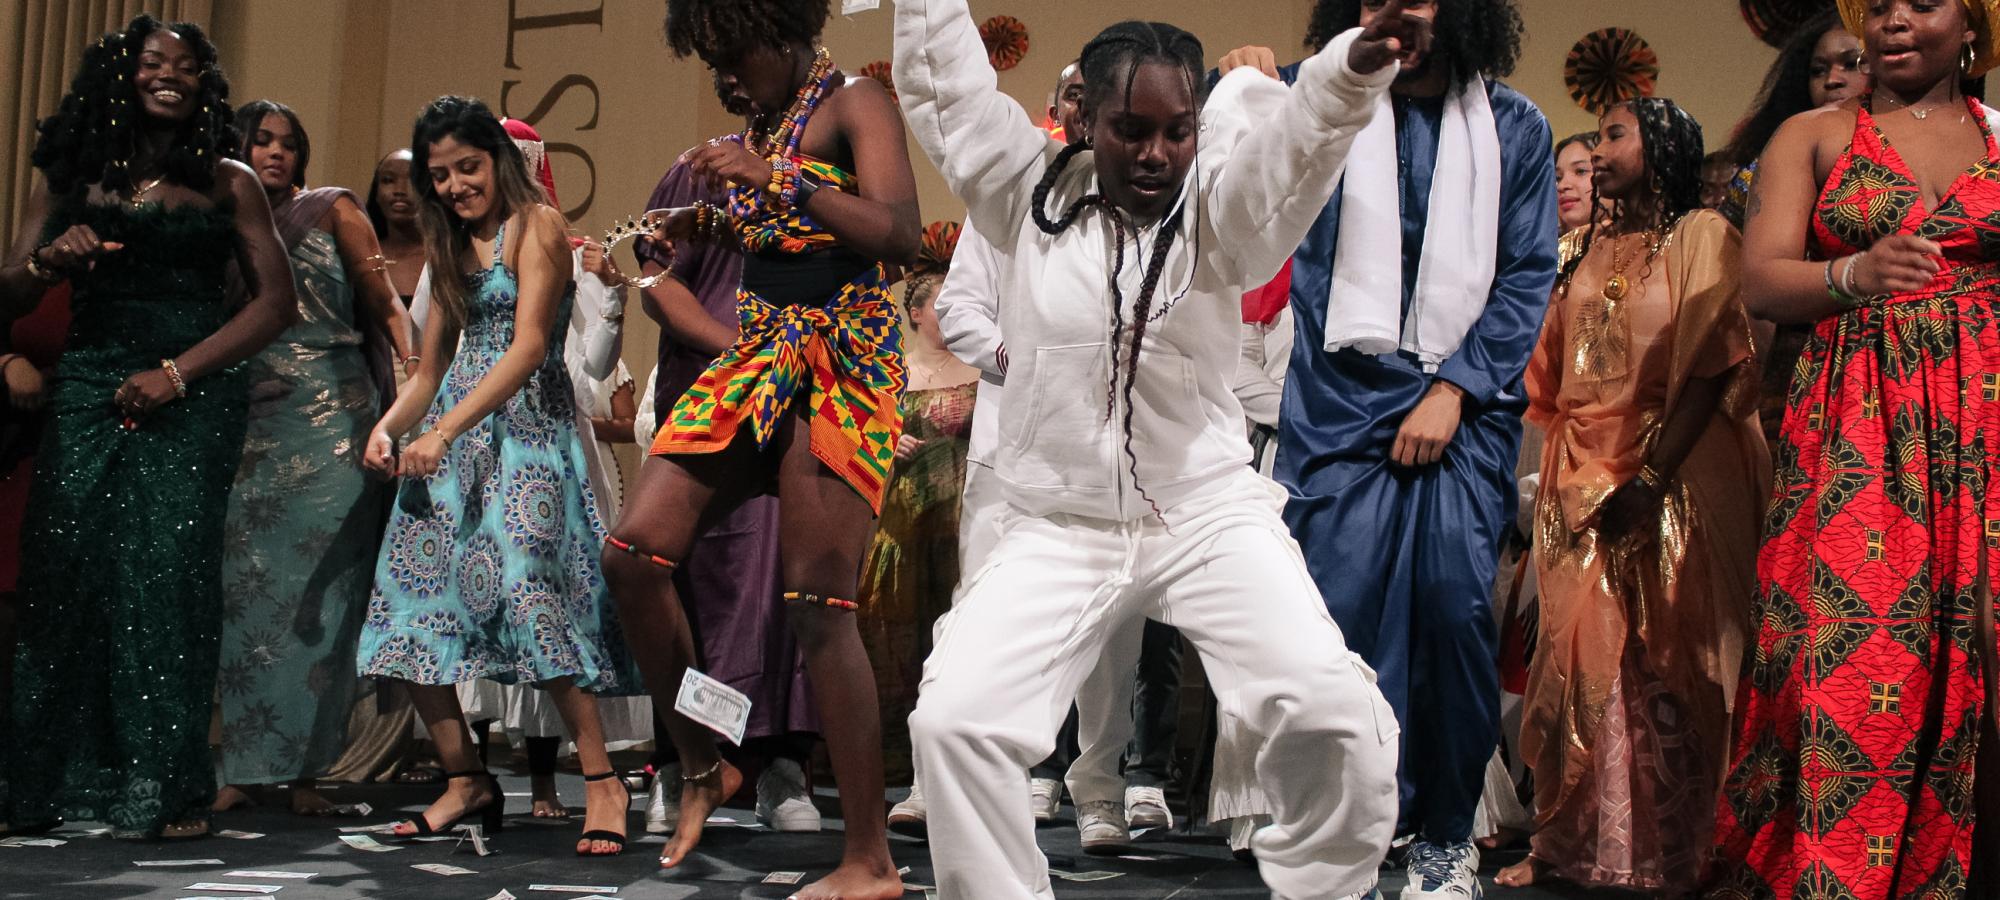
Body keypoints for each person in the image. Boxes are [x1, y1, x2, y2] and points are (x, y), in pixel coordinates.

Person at [892, 0, 1414, 896]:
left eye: (1177, 132)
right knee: (953, 720)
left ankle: (1323, 888)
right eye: (1130, 130)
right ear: (1085, 120)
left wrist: (1348, 70)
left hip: (1204, 508)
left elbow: (1292, 158)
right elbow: (947, 90)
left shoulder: (1217, 208)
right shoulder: (1028, 192)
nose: (1154, 154)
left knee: (1336, 713)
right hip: (1056, 519)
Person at [1214, 0, 1556, 893]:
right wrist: (1244, 83)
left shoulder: (1515, 127)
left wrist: (1453, 390)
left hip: (1465, 405)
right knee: (1334, 625)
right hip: (1339, 401)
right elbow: (1240, 183)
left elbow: (1526, 275)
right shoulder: (1315, 96)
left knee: (1452, 610)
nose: (1398, 14)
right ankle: (1351, 835)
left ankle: (1445, 835)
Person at [605, 1, 921, 894]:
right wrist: (710, 229)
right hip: (759, 355)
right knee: (633, 555)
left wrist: (774, 179)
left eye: (734, 53)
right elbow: (786, 238)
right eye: (710, 61)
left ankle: (869, 860)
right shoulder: (764, 125)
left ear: (783, 31)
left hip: (843, 359)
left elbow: (895, 233)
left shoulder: (854, 100)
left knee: (820, 606)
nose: (725, 75)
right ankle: (706, 761)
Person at [1712, 1, 2000, 897]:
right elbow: (1761, 278)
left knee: (1981, 657)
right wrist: (1853, 274)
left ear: (1974, 26)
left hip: (1985, 413)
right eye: (1879, 6)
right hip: (1860, 420)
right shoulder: (1816, 132)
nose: (1896, 20)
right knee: (1855, 657)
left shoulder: (1998, 135)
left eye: (1923, 2)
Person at [0, 14, 299, 838]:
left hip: (192, 387)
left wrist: (176, 376)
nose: (170, 73)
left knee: (165, 581)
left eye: (187, 66)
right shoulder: (69, 173)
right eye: (152, 61)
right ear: (118, 73)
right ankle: (40, 785)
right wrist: (46, 264)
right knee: (64, 576)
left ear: (204, 87)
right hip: (90, 382)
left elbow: (279, 304)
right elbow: (9, 295)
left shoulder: (229, 178)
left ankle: (162, 791)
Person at [1501, 97, 1769, 892]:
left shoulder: (1702, 237)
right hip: (1578, 473)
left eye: (1616, 133)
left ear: (1661, 144)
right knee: (1575, 659)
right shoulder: (1576, 248)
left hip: (1675, 472)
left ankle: (1672, 854)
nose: (1602, 146)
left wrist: (1649, 480)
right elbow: (1551, 374)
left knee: (1666, 660)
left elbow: (1715, 364)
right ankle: (1571, 845)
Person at [356, 95, 633, 857]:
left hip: (526, 437)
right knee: (405, 599)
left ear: (498, 161)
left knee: (528, 592)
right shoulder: (448, 245)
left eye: (467, 167)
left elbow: (527, 346)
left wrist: (442, 429)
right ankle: (465, 779)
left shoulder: (535, 226)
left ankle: (601, 778)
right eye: (439, 176)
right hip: (450, 444)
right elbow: (429, 368)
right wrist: (389, 428)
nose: (454, 187)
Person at [211, 100, 418, 817]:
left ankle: (305, 775)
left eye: (289, 145)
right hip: (247, 423)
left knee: (321, 605)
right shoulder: (216, 220)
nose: (276, 154)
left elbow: (382, 297)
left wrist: (414, 363)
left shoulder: (331, 210)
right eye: (260, 141)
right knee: (243, 598)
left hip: (335, 424)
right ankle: (240, 762)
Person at [628, 112, 822, 838]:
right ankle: (681, 761)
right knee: (679, 578)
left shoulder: (820, 179)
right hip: (709, 387)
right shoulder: (694, 167)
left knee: (780, 582)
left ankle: (778, 763)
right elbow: (656, 281)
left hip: (791, 396)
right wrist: (744, 356)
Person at [854, 236, 978, 787]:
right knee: (893, 641)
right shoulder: (889, 374)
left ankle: (958, 759)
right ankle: (896, 762)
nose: (950, 314)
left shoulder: (978, 370)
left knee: (955, 640)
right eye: (941, 305)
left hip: (960, 524)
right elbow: (851, 439)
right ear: (915, 311)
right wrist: (883, 443)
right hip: (901, 525)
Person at [365, 149, 427, 305]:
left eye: (412, 180)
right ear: (376, 194)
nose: (399, 190)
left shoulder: (444, 258)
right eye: (388, 180)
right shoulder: (360, 256)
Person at [1554, 132, 1599, 234]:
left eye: (1580, 171)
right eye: (1558, 178)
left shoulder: (1639, 246)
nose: (1561, 186)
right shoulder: (1533, 247)